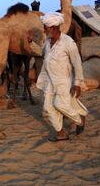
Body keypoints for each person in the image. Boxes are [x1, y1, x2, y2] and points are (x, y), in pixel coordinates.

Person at [36, 12, 88, 142]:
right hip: (49, 80)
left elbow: (77, 63)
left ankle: (79, 118)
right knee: (48, 108)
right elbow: (40, 53)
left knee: (60, 105)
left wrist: (77, 83)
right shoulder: (47, 42)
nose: (44, 30)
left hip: (64, 80)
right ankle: (61, 133)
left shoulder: (68, 42)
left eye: (45, 28)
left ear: (53, 28)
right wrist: (30, 43)